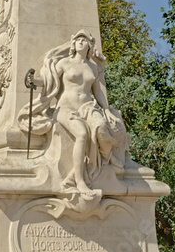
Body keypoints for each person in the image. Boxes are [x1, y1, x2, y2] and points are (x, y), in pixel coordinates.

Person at [24, 30, 128, 194]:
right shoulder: (64, 63)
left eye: (84, 40)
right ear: (73, 44)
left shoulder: (93, 67)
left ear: (89, 45)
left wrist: (106, 109)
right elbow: (49, 81)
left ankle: (100, 161)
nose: (80, 42)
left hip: (87, 106)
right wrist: (34, 81)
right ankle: (79, 181)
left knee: (102, 127)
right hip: (66, 108)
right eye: (78, 39)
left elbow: (97, 91)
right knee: (82, 134)